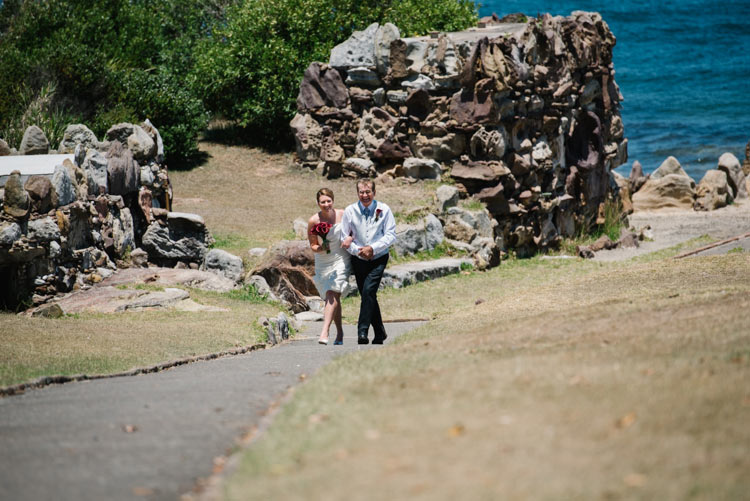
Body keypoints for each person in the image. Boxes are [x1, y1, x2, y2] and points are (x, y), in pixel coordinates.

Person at [340, 179, 397, 345]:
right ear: (357, 193)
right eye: (361, 192)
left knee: (368, 291)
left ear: (374, 192)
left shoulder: (384, 209)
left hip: (378, 258)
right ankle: (379, 332)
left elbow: (391, 235)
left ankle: (362, 331)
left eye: (368, 192)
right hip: (358, 259)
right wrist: (358, 251)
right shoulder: (350, 211)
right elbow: (345, 236)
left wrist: (372, 248)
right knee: (368, 294)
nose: (365, 195)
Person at [308, 188, 351, 345]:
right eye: (322, 202)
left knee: (333, 291)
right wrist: (321, 248)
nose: (326, 204)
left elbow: (354, 232)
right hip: (324, 260)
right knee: (332, 295)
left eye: (329, 201)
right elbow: (313, 245)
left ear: (333, 200)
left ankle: (324, 331)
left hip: (341, 257)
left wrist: (350, 239)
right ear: (318, 203)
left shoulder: (343, 214)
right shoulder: (314, 220)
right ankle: (339, 332)